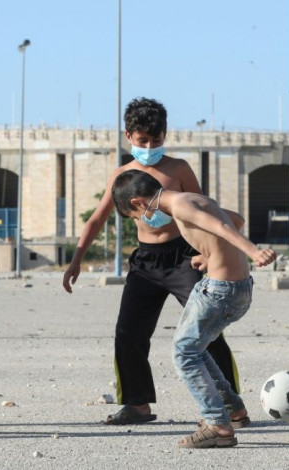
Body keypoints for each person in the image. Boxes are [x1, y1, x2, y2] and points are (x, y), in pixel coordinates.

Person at [62, 97, 242, 426]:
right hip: (145, 263)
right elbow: (96, 220)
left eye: (156, 140)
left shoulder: (178, 169)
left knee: (207, 331)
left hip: (184, 258)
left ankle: (230, 404)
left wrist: (205, 253)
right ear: (128, 136)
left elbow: (203, 211)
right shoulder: (123, 175)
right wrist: (76, 261)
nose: (149, 146)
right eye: (142, 140)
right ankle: (137, 403)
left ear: (165, 136)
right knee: (128, 332)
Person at [111, 169, 276, 448]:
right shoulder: (192, 199)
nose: (144, 221)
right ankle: (233, 409)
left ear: (139, 203)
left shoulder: (181, 206)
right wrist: (207, 253)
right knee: (194, 347)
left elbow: (224, 229)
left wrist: (253, 251)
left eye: (137, 217)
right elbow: (234, 220)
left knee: (184, 353)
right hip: (237, 288)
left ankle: (218, 425)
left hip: (220, 290)